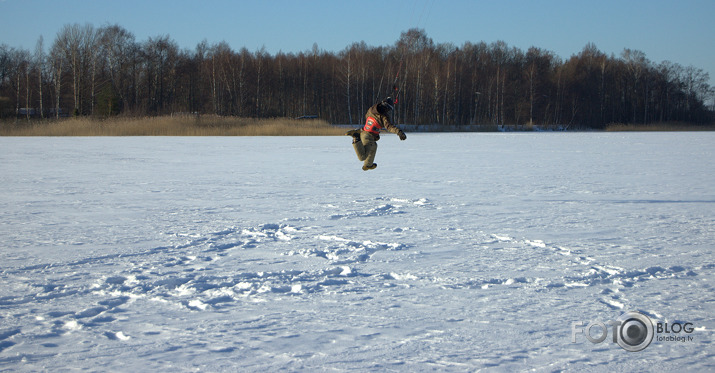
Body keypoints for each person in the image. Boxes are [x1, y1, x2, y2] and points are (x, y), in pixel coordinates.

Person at [346, 97, 406, 171]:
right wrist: (399, 132)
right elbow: (389, 127)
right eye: (388, 109)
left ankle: (368, 165)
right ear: (386, 107)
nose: (388, 111)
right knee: (362, 157)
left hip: (364, 132)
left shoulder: (371, 110)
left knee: (374, 146)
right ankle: (356, 139)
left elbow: (366, 116)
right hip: (368, 136)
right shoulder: (384, 117)